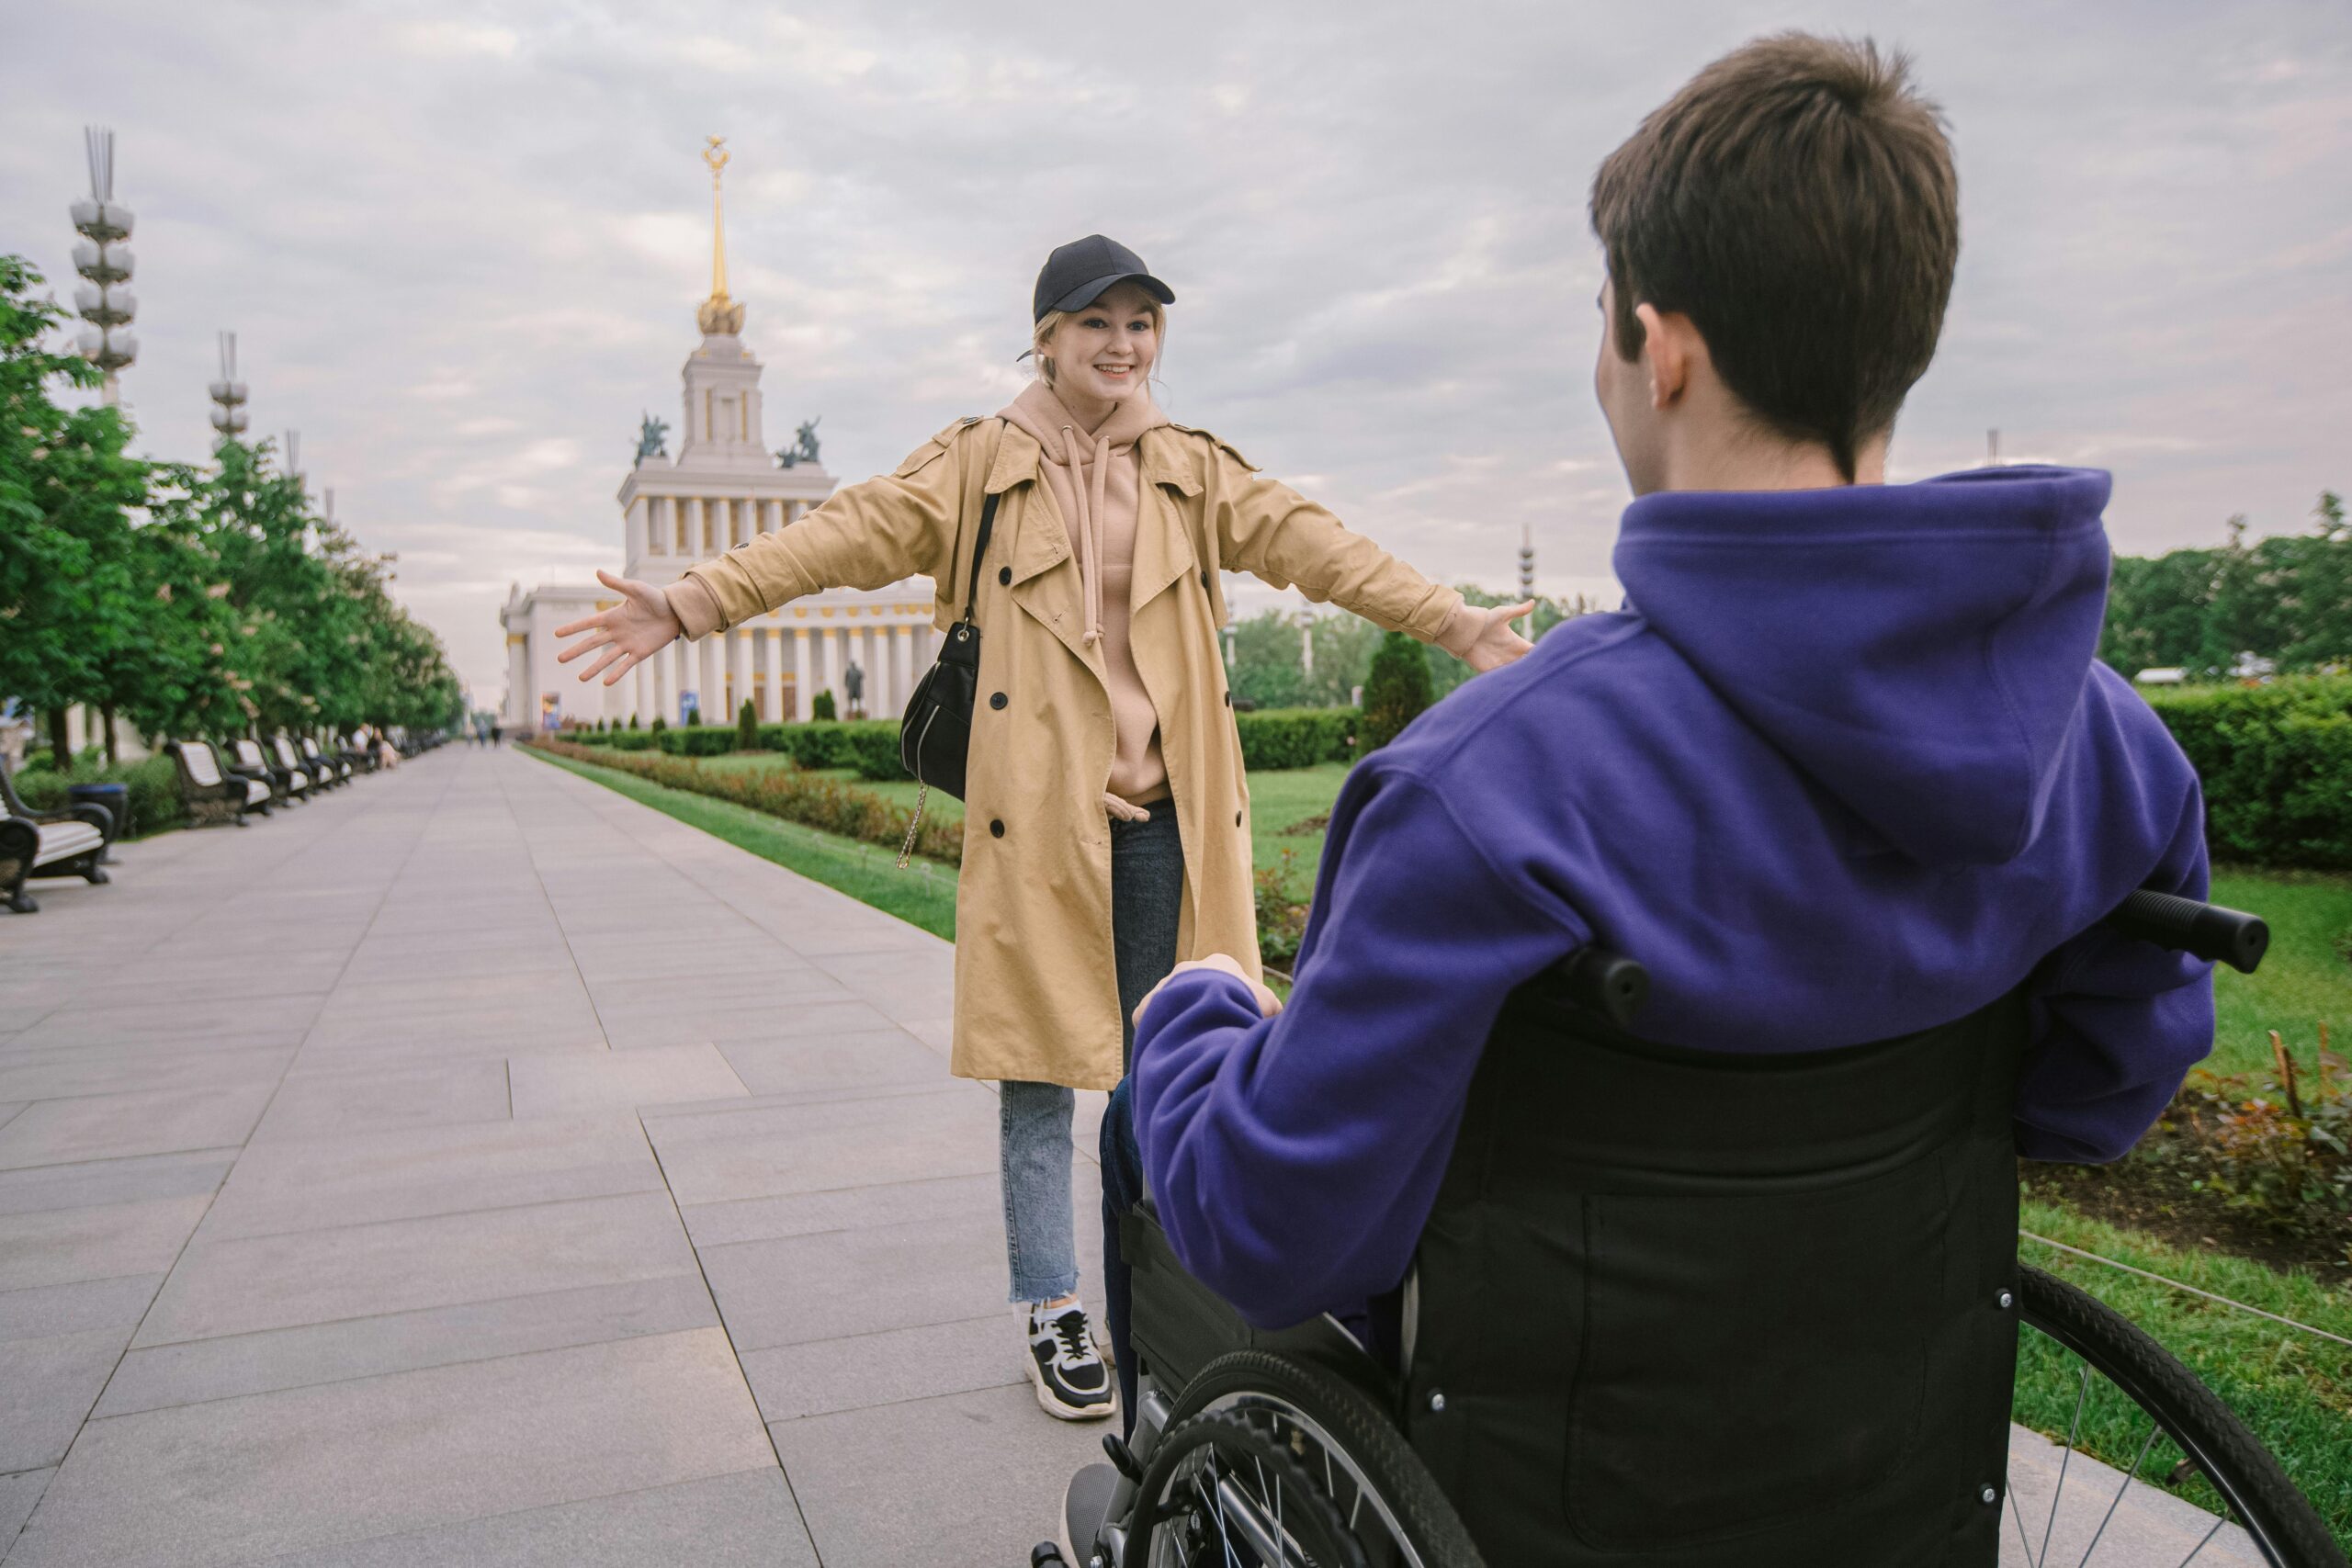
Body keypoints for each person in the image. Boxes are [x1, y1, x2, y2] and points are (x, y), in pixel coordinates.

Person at [1080, 33, 2217, 1561]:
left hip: (1538, 1480)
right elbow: (2094, 1097)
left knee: (1153, 1130)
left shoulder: (1494, 789)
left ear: (1658, 345)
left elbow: (1288, 1238)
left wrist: (1192, 1012)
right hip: (1890, 1437)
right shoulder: (2114, 750)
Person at [550, 234, 1533, 1422]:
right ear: (1046, 338)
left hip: (1168, 815)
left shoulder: (1192, 467)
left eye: (1141, 325)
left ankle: (1171, 1279)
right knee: (1032, 1069)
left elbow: (1314, 545)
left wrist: (1451, 621)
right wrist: (697, 599)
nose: (1123, 346)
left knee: (1175, 1054)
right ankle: (1053, 1306)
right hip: (1039, 823)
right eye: (1096, 325)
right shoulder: (979, 462)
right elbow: (845, 532)